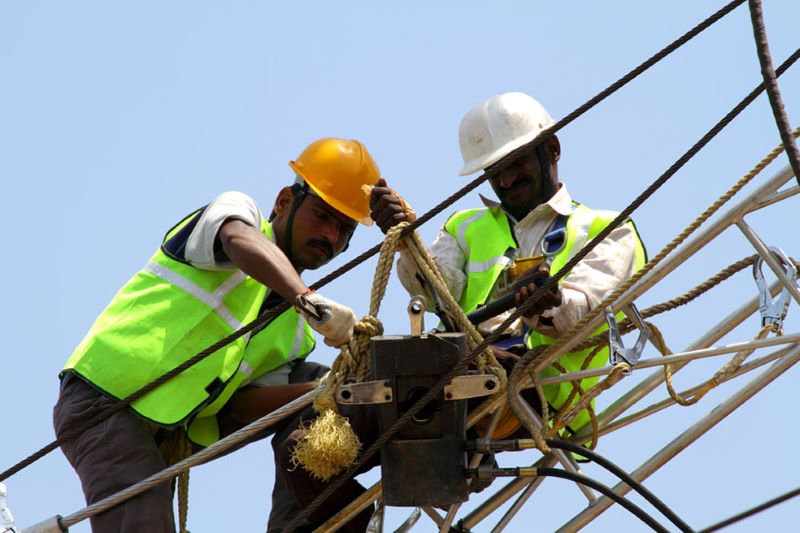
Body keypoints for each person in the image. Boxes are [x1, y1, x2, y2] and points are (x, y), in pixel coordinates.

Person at [53, 137, 383, 533]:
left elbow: (240, 409)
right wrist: (307, 299)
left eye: (344, 229)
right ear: (284, 201)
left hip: (161, 433)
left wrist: (325, 390)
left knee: (320, 384)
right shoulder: (239, 214)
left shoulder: (297, 334)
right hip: (104, 399)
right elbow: (235, 238)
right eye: (322, 215)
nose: (330, 236)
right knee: (143, 521)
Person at [371, 91, 647, 440]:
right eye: (494, 171)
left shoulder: (606, 230)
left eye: (517, 163)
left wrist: (550, 302)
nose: (506, 181)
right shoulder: (465, 226)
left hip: (542, 392)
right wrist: (407, 242)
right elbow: (435, 292)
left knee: (437, 366)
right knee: (362, 390)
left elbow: (585, 310)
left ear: (552, 149)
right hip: (458, 376)